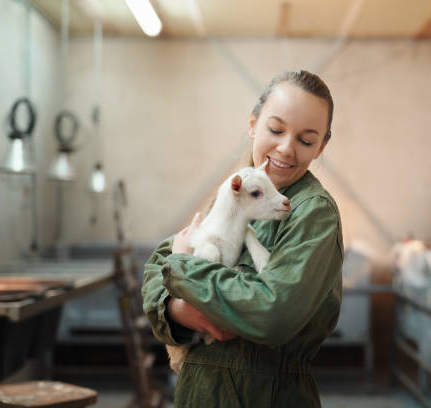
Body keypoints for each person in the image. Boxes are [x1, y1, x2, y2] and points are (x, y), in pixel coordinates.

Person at [142, 70, 344, 407]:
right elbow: (155, 272)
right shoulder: (232, 193)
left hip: (264, 396)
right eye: (276, 130)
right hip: (200, 393)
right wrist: (177, 309)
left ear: (321, 146)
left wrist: (184, 272)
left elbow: (272, 313)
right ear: (253, 123)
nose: (285, 148)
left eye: (306, 140)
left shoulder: (312, 212)